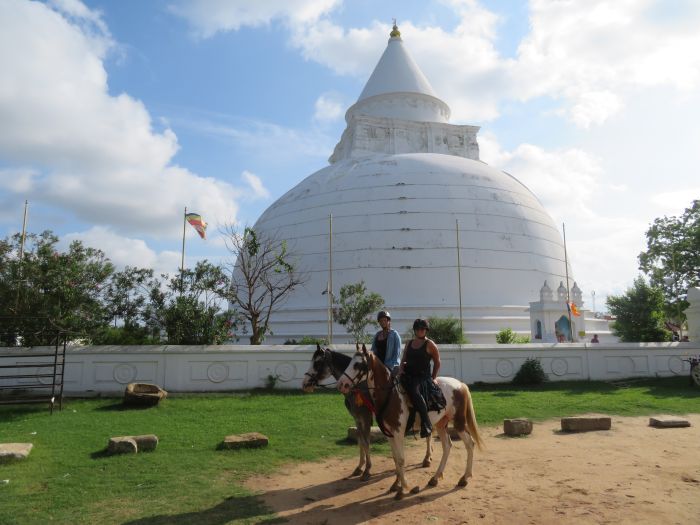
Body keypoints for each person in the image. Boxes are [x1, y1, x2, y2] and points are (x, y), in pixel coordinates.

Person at [400, 318, 442, 438]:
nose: (420, 331)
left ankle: (426, 423)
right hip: (408, 374)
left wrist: (433, 377)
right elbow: (404, 359)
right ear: (415, 330)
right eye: (418, 329)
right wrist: (401, 370)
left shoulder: (430, 344)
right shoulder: (409, 343)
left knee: (414, 391)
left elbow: (437, 362)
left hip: (423, 377)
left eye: (423, 329)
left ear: (426, 330)